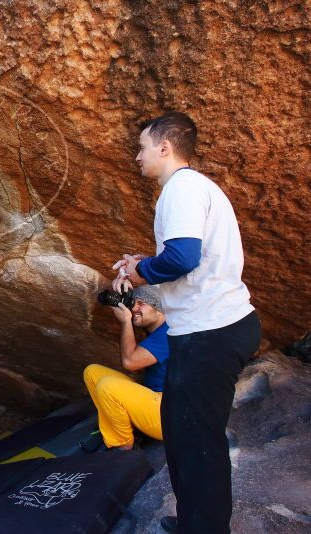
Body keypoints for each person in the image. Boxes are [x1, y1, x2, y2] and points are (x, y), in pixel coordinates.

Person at [112, 112, 261, 534]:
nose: (137, 156)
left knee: (199, 444)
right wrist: (143, 262)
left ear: (165, 147)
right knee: (181, 436)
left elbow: (182, 258)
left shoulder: (181, 188)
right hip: (201, 331)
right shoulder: (192, 190)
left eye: (142, 147)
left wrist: (140, 274)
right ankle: (197, 520)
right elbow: (185, 260)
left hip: (210, 333)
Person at [84, 285, 168, 450]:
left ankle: (123, 446)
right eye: (132, 303)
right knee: (93, 372)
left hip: (171, 415)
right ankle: (122, 431)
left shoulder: (169, 333)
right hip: (154, 400)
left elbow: (130, 362)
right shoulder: (158, 331)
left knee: (108, 386)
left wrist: (126, 322)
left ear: (159, 309)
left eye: (141, 304)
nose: (134, 308)